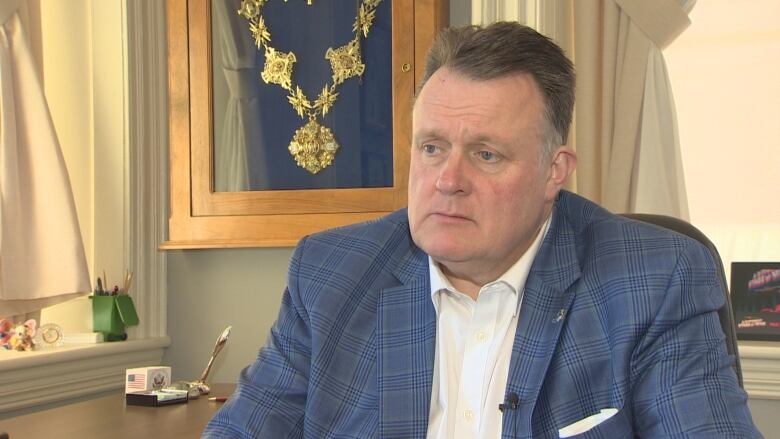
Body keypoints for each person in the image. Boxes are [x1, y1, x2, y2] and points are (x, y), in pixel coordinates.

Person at [204, 22, 760, 438]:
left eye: (487, 154)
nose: (448, 181)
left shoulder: (655, 280)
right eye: (432, 148)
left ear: (554, 171)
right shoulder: (331, 274)